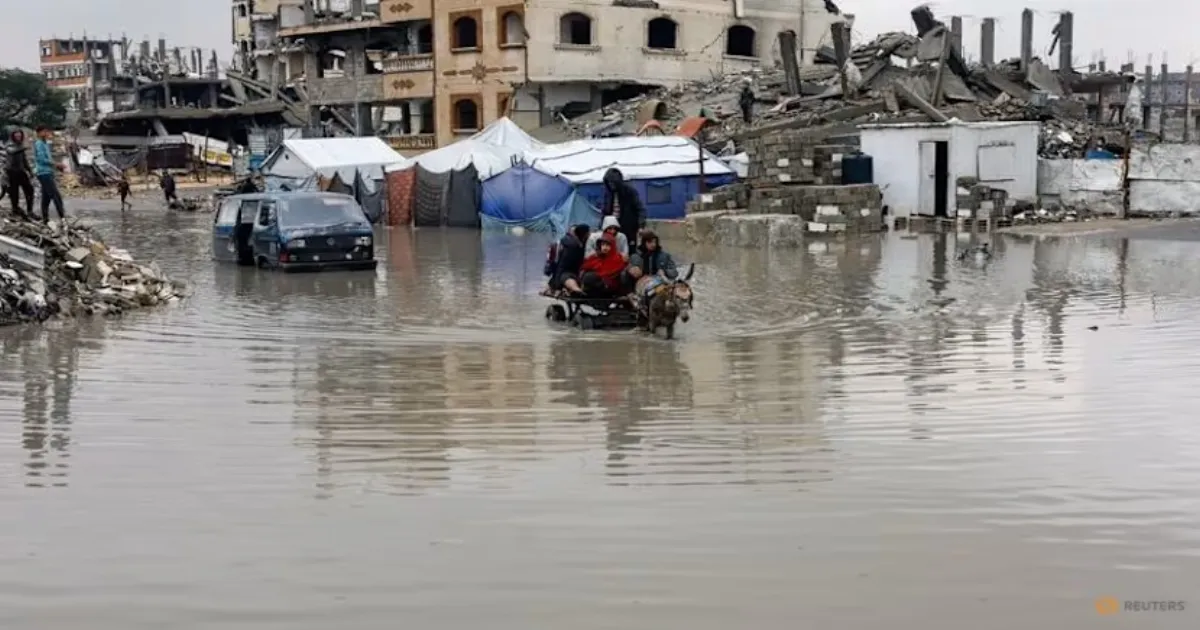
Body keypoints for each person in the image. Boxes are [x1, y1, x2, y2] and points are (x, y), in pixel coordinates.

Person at [600, 168, 644, 255]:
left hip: (628, 227)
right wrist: (602, 225)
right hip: (612, 228)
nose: (611, 185)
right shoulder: (608, 194)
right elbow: (605, 211)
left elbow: (640, 209)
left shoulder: (630, 192)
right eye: (609, 183)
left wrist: (641, 225)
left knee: (629, 250)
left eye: (613, 183)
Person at [33, 126, 65, 223]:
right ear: (38, 133)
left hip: (47, 171)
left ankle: (45, 219)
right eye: (44, 132)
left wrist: (55, 166)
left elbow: (48, 159)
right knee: (56, 195)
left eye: (47, 131)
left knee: (46, 197)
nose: (46, 134)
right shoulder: (39, 144)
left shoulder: (45, 143)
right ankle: (63, 218)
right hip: (43, 172)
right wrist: (56, 164)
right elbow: (41, 159)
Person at [579, 233, 627, 297]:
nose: (605, 247)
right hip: (597, 283)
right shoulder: (596, 257)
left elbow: (610, 273)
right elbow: (585, 266)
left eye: (607, 245)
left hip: (609, 285)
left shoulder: (616, 258)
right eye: (603, 245)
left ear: (612, 246)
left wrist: (596, 275)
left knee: (590, 277)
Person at [548, 223, 591, 294]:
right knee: (566, 277)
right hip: (569, 273)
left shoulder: (578, 244)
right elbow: (563, 265)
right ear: (585, 234)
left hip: (573, 272)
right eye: (588, 233)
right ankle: (575, 289)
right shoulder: (573, 247)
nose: (590, 234)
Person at [4, 129, 34, 219]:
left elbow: (24, 160)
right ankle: (15, 210)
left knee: (30, 191)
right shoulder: (9, 145)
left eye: (20, 136)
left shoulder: (20, 145)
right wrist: (24, 147)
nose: (18, 137)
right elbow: (12, 151)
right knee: (14, 193)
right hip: (11, 172)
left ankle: (30, 211)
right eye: (16, 136)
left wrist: (30, 171)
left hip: (21, 171)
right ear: (13, 137)